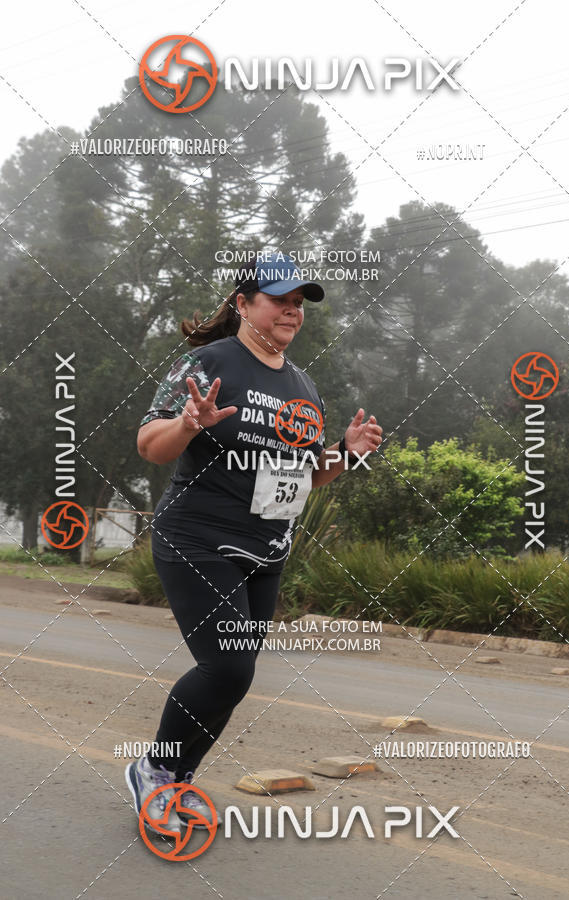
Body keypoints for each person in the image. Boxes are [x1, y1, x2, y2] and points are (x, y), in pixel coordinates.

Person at [125, 251, 382, 835]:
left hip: (266, 550)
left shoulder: (302, 385)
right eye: (279, 300)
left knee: (232, 679)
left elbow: (307, 473)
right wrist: (188, 424)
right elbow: (149, 444)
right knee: (228, 668)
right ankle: (154, 770)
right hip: (199, 538)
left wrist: (347, 452)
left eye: (299, 304)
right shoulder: (207, 363)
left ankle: (174, 779)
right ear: (243, 304)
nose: (291, 311)